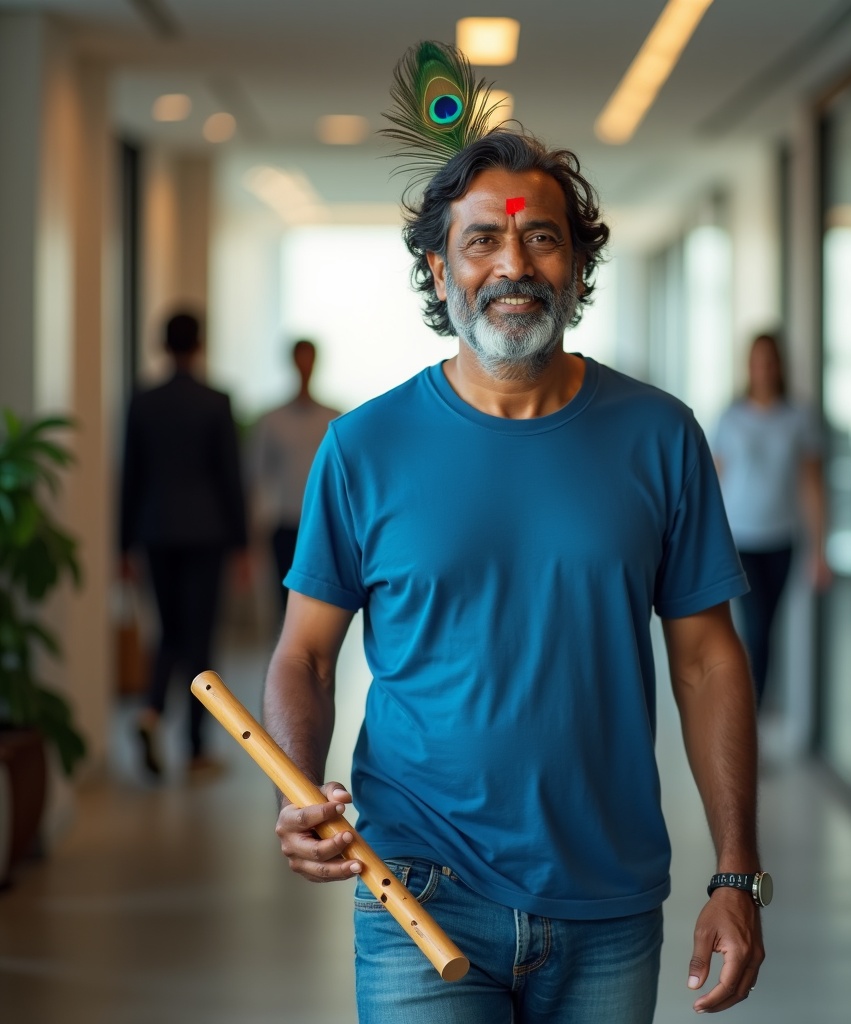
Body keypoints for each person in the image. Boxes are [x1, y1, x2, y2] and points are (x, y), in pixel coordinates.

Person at [266, 51, 765, 1022]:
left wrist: (736, 874)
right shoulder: (361, 447)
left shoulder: (659, 435)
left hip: (609, 900)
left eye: (541, 239)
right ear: (438, 266)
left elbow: (707, 661)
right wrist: (293, 791)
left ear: (574, 265)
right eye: (483, 242)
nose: (512, 265)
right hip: (415, 884)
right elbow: (305, 655)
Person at [119, 310, 249, 780]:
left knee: (168, 634)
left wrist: (123, 546)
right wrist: (241, 544)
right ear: (200, 345)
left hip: (155, 531)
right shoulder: (215, 402)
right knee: (199, 638)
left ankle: (151, 712)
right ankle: (195, 749)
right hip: (206, 532)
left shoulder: (142, 401)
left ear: (163, 344)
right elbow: (229, 479)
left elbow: (129, 477)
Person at [712, 333, 830, 709]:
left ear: (779, 366)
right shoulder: (730, 417)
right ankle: (750, 711)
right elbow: (713, 484)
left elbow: (812, 486)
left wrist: (820, 550)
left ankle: (754, 712)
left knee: (767, 632)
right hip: (740, 539)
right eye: (757, 361)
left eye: (770, 361)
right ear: (749, 366)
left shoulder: (798, 417)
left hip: (781, 540)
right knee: (755, 629)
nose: (763, 369)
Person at [248, 339, 340, 617]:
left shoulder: (331, 419)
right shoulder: (272, 420)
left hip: (321, 523)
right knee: (283, 603)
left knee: (319, 604)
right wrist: (253, 530)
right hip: (284, 522)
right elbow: (256, 476)